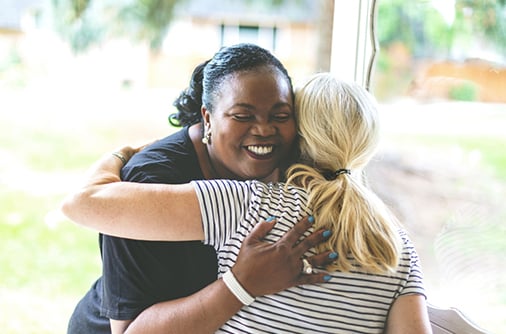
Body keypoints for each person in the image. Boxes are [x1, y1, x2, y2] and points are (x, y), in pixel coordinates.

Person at [63, 73, 432, 333]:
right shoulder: (396, 246)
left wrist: (122, 154)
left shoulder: (248, 205)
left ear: (297, 134)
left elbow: (84, 205)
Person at [67, 43, 331, 334]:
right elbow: (129, 330)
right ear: (207, 118)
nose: (265, 129)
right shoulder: (149, 179)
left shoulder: (289, 165)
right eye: (243, 116)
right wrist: (241, 285)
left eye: (280, 116)